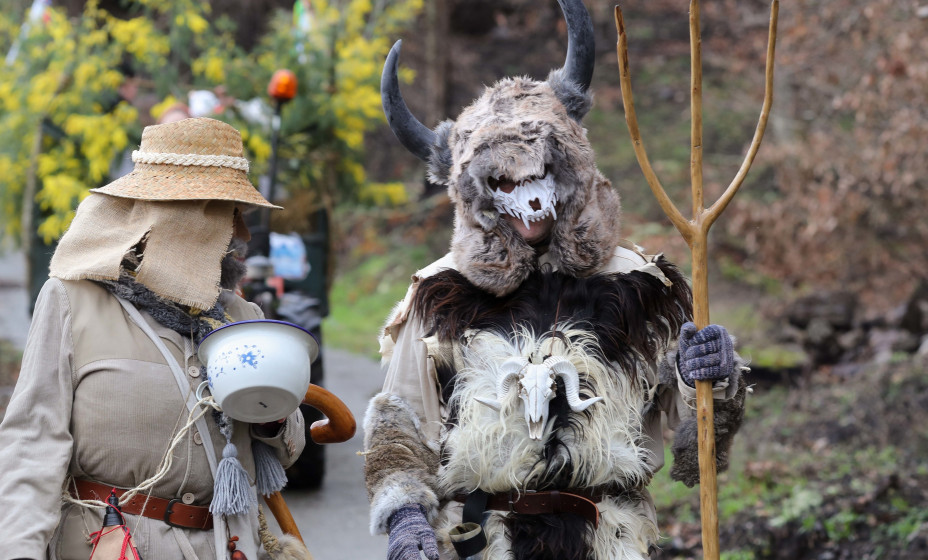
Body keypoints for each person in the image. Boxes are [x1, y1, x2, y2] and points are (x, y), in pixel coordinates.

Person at [361, 1, 748, 559]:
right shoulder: (438, 295)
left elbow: (699, 447)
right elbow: (400, 424)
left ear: (569, 168)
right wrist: (404, 518)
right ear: (476, 193)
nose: (528, 201)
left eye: (540, 172)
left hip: (609, 541)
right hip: (481, 542)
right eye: (501, 180)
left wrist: (709, 377)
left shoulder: (641, 288)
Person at [0, 117, 309, 560]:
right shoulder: (74, 301)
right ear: (175, 216)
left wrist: (270, 409)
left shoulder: (242, 317)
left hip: (225, 547)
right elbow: (32, 443)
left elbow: (287, 449)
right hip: (107, 546)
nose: (239, 235)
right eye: (226, 213)